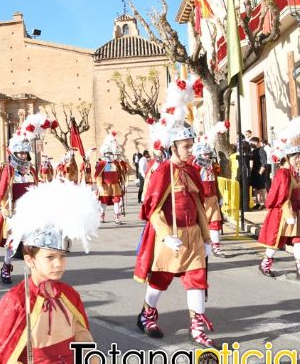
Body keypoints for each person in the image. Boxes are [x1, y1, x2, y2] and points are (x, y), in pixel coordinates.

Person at [0, 180, 100, 364]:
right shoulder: (17, 301)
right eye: (50, 257)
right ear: (29, 260)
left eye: (62, 256)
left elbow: (80, 332)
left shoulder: (68, 294)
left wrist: (86, 360)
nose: (59, 264)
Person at [135, 79, 217, 348]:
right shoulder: (162, 172)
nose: (191, 150)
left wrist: (206, 238)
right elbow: (152, 210)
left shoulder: (192, 170)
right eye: (186, 146)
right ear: (173, 147)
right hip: (170, 236)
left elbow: (200, 208)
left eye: (191, 145)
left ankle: (197, 327)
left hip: (192, 235)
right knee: (160, 279)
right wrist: (166, 236)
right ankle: (148, 313)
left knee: (196, 280)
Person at [0, 114, 53, 284]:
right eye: (20, 152)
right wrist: (5, 208)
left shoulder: (31, 170)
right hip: (15, 210)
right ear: (14, 152)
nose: (24, 155)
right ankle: (6, 266)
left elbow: (37, 188)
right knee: (14, 241)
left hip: (31, 210)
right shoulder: (9, 170)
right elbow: (2, 191)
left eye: (25, 152)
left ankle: (36, 270)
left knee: (34, 241)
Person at [258, 116, 300, 282]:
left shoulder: (293, 173)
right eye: (295, 156)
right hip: (284, 214)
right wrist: (289, 213)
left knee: (299, 239)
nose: (298, 159)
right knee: (277, 241)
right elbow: (279, 197)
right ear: (286, 157)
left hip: (294, 212)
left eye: (299, 156)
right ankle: (265, 263)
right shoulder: (283, 174)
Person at [192, 122, 228, 258]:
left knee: (215, 223)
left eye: (208, 154)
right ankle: (201, 246)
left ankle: (216, 247)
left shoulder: (212, 167)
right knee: (201, 223)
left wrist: (219, 196)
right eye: (205, 155)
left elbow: (215, 182)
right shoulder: (195, 167)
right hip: (201, 199)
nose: (207, 157)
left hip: (212, 198)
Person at [95, 133, 124, 224]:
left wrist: (122, 183)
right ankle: (102, 216)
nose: (108, 154)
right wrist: (99, 186)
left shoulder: (115, 163)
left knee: (116, 201)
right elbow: (98, 176)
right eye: (107, 153)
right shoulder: (102, 164)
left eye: (110, 153)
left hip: (115, 185)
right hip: (105, 186)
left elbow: (120, 173)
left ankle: (117, 217)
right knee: (103, 202)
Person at [249, 137, 268, 210]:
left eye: (252, 143)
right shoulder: (254, 151)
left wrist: (260, 173)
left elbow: (264, 164)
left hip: (260, 173)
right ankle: (257, 203)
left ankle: (266, 204)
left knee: (263, 189)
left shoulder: (261, 151)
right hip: (255, 172)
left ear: (256, 142)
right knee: (256, 189)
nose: (250, 144)